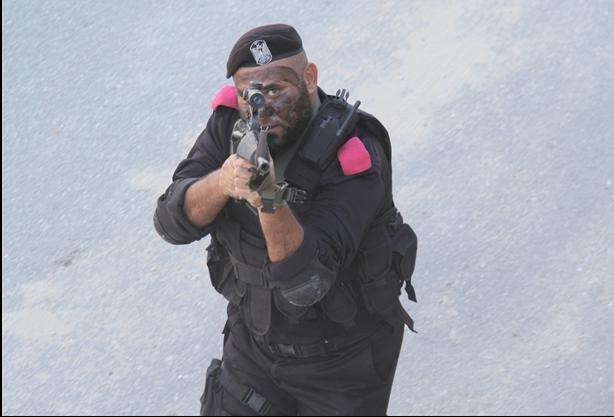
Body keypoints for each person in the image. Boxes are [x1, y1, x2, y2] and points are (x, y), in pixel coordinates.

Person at [154, 23, 418, 416]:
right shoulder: (230, 123)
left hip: (342, 362)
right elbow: (169, 221)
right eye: (249, 93)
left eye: (276, 89)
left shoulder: (355, 155)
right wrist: (221, 183)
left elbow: (305, 284)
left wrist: (268, 200)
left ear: (309, 79)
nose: (263, 108)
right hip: (254, 345)